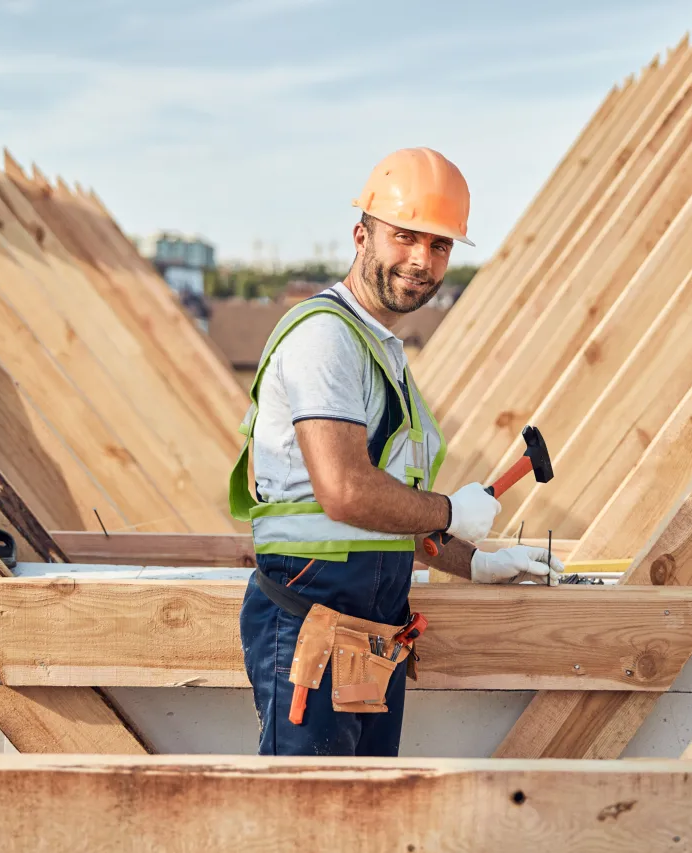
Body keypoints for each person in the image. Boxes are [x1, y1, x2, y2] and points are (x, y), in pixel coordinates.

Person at [231, 147, 563, 757]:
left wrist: (472, 560)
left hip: (368, 633)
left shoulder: (379, 350)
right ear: (362, 235)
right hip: (313, 624)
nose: (422, 260)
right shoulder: (326, 337)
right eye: (405, 236)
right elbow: (344, 491)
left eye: (439, 246)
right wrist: (446, 512)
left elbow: (380, 517)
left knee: (366, 822)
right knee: (310, 829)